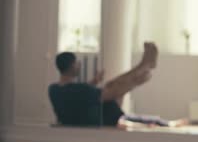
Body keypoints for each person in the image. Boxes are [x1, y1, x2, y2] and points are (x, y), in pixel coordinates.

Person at [48, 42, 186, 128]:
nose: (79, 64)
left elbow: (77, 93)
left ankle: (142, 66)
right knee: (111, 88)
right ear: (72, 65)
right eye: (77, 62)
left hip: (97, 115)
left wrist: (94, 81)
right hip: (99, 119)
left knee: (113, 90)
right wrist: (133, 82)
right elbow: (108, 93)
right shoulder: (77, 90)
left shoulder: (54, 89)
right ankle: (142, 66)